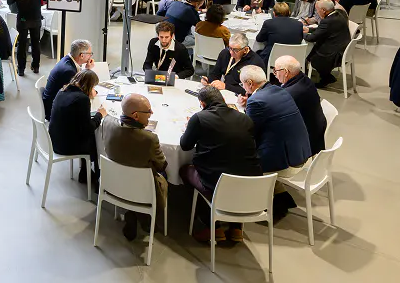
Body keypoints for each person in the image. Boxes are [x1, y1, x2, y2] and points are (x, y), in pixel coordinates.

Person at [179, 86, 261, 243]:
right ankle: (236, 228)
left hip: (217, 182)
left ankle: (211, 226)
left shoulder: (200, 118)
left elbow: (185, 145)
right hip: (251, 184)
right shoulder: (245, 119)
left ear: (202, 103)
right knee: (236, 164)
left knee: (185, 171)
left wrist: (191, 127)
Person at [239, 65, 312, 218]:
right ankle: (282, 196)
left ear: (250, 83)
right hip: (302, 152)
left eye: (242, 84)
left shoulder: (256, 101)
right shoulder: (279, 90)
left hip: (286, 162)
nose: (243, 87)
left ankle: (248, 203)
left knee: (239, 156)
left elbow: (248, 133)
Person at [98, 93, 167, 241]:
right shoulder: (149, 139)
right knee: (162, 178)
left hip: (112, 183)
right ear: (135, 116)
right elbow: (161, 165)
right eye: (148, 111)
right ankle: (144, 218)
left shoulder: (107, 122)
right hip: (141, 190)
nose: (151, 113)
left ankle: (131, 213)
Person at [49, 70, 103, 183]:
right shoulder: (82, 99)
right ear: (89, 86)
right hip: (66, 146)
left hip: (54, 139)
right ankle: (96, 177)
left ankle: (85, 171)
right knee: (95, 138)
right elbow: (88, 129)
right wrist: (99, 115)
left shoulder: (63, 90)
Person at [273, 56, 327, 155]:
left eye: (275, 70)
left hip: (304, 144)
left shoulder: (290, 94)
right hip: (316, 133)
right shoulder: (305, 80)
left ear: (285, 72)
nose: (275, 74)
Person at [7, 0, 45, 75]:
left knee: (22, 44)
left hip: (23, 18)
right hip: (36, 17)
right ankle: (36, 66)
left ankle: (21, 69)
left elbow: (9, 1)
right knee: (35, 43)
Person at [303, 0, 351, 88]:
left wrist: (300, 32)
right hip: (342, 47)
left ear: (323, 10)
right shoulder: (339, 14)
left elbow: (311, 38)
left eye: (317, 10)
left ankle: (326, 78)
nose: (317, 12)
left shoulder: (328, 21)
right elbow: (324, 29)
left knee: (311, 55)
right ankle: (327, 76)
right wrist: (309, 30)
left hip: (334, 53)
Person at [42, 39, 94, 117]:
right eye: (90, 54)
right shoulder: (69, 71)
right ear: (82, 55)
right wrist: (88, 71)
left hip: (54, 102)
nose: (91, 56)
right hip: (55, 112)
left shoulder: (67, 60)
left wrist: (87, 69)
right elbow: (85, 93)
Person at [202, 32, 266, 95]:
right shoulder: (225, 53)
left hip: (241, 96)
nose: (231, 53)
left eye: (235, 50)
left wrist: (226, 86)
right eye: (230, 48)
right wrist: (208, 79)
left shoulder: (255, 63)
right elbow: (216, 73)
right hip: (224, 92)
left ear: (245, 50)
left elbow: (254, 91)